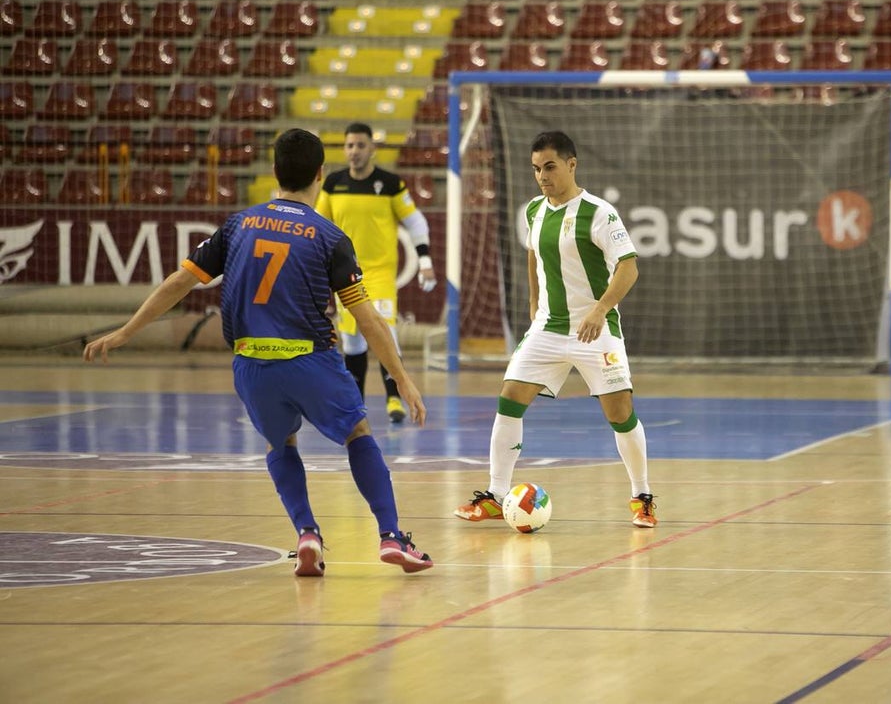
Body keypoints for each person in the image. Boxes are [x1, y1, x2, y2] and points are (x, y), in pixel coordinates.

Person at [83, 129, 434, 577]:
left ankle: (307, 533)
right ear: (320, 176)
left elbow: (180, 281)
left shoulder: (239, 224)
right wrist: (401, 377)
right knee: (358, 433)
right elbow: (367, 319)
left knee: (280, 442)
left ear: (274, 173)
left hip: (251, 364)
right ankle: (390, 536)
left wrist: (126, 332)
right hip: (310, 360)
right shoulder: (329, 237)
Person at [453, 130, 657, 528]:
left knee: (620, 413)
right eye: (535, 169)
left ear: (571, 164)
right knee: (510, 397)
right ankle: (495, 495)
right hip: (548, 327)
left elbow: (628, 268)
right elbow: (534, 256)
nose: (542, 176)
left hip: (595, 330)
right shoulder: (534, 211)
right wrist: (533, 305)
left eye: (549, 167)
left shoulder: (599, 213)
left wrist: (600, 310)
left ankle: (642, 496)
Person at [318, 122, 437, 425]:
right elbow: (319, 226)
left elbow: (415, 222)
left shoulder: (390, 184)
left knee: (386, 333)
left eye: (360, 145)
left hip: (381, 274)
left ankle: (393, 397)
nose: (354, 151)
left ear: (372, 148)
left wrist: (424, 259)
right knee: (353, 341)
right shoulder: (333, 184)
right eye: (349, 145)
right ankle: (356, 404)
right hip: (345, 273)